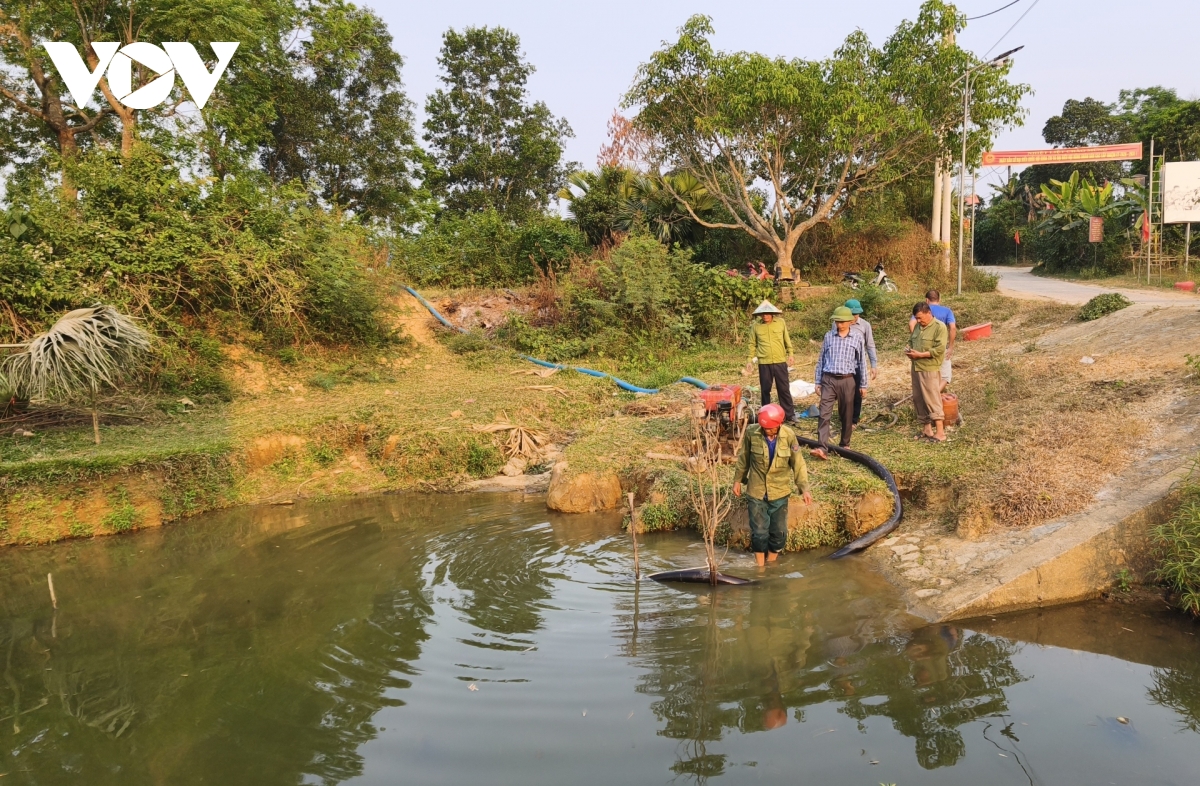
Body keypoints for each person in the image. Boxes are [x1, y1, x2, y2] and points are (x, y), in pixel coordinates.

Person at [732, 403, 813, 566]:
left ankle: (771, 562)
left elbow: (798, 463)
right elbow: (744, 458)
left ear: (779, 424)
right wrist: (738, 480)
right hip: (757, 491)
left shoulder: (789, 436)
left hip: (779, 491)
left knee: (779, 532)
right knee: (759, 533)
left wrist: (804, 489)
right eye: (764, 428)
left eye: (770, 428)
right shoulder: (751, 433)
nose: (767, 431)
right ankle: (760, 567)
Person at [810, 306, 867, 460]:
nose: (839, 324)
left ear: (850, 321)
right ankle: (822, 446)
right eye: (837, 321)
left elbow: (861, 362)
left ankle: (844, 444)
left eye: (842, 322)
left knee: (846, 413)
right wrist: (817, 381)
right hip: (828, 379)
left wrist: (863, 384)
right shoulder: (829, 336)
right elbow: (821, 359)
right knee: (824, 413)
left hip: (848, 380)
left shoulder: (857, 338)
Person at [744, 300, 796, 422]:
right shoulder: (756, 326)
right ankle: (766, 413)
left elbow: (786, 339)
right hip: (764, 363)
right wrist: (749, 360)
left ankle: (789, 415)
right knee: (765, 389)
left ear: (772, 313)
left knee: (783, 388)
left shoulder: (781, 323)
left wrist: (791, 354)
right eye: (762, 314)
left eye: (767, 313)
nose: (765, 316)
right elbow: (752, 344)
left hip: (779, 361)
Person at [906, 302, 948, 442]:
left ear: (928, 313)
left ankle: (940, 432)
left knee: (932, 399)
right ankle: (927, 429)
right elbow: (912, 341)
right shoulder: (918, 327)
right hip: (916, 368)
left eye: (920, 318)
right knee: (919, 398)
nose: (918, 321)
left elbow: (940, 349)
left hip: (929, 368)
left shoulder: (939, 327)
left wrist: (921, 355)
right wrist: (910, 350)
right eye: (916, 318)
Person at [908, 289, 956, 392]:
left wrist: (917, 341)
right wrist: (950, 347)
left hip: (924, 350)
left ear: (926, 300)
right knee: (945, 376)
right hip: (940, 348)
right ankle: (934, 394)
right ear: (939, 299)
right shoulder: (947, 311)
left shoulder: (921, 311)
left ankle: (932, 394)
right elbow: (952, 328)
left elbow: (911, 324)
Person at [843, 299, 878, 425]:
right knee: (844, 392)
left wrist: (873, 365)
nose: (853, 317)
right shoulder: (839, 323)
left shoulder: (864, 325)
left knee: (858, 392)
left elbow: (870, 345)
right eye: (851, 314)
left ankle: (853, 419)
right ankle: (844, 416)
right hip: (842, 364)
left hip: (857, 363)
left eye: (856, 314)